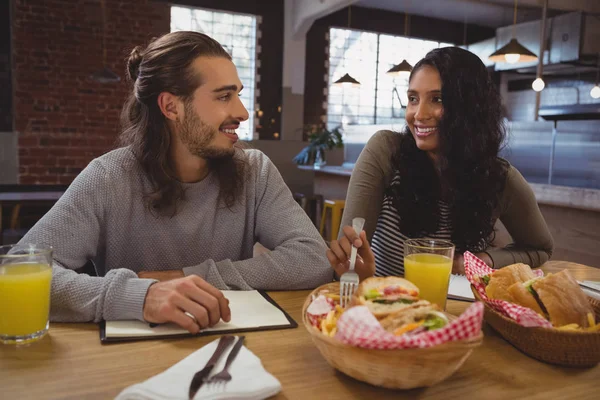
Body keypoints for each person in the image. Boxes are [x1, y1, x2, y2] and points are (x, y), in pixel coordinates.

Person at [20, 31, 331, 333]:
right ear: (171, 106)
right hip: (126, 360)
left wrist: (192, 276)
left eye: (239, 94)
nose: (242, 112)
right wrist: (141, 296)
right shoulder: (108, 177)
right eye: (224, 96)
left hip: (228, 349)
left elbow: (314, 258)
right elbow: (20, 273)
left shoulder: (255, 170)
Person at [327, 46, 554, 281]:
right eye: (413, 99)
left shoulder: (500, 178)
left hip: (457, 312)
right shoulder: (385, 151)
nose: (419, 114)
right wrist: (356, 271)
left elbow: (542, 249)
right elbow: (349, 258)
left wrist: (484, 260)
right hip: (385, 306)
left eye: (437, 99)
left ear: (470, 107)